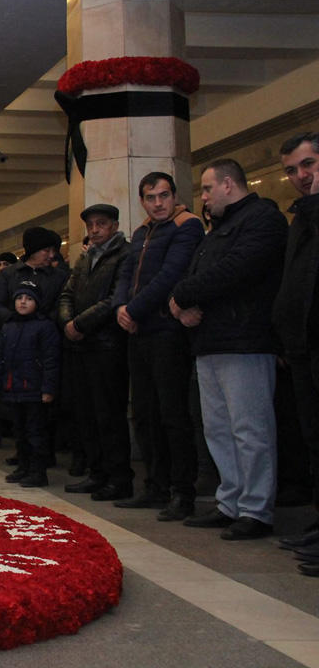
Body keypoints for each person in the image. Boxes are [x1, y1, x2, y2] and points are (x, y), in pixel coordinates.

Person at [170, 159, 288, 540]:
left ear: (227, 185)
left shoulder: (261, 219)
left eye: (206, 189)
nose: (202, 198)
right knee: (219, 429)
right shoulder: (219, 230)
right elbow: (194, 273)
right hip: (211, 342)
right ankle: (231, 501)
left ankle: (256, 509)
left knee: (249, 429)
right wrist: (182, 302)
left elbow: (236, 270)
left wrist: (182, 296)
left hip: (245, 339)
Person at [110, 171, 205, 513]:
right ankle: (155, 484)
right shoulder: (141, 232)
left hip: (166, 330)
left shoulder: (187, 225)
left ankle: (183, 491)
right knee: (145, 412)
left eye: (163, 196)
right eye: (150, 198)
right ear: (142, 201)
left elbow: (171, 274)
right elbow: (126, 273)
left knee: (172, 413)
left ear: (174, 195)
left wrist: (132, 310)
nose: (158, 203)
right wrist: (120, 306)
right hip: (139, 331)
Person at [56, 203, 131, 500]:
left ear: (113, 225)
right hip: (81, 345)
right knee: (86, 413)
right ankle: (96, 472)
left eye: (101, 224)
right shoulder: (85, 258)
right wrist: (67, 322)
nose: (95, 230)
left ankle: (119, 477)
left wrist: (81, 324)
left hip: (107, 344)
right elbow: (66, 293)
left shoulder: (124, 254)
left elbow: (115, 299)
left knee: (108, 413)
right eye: (91, 226)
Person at [273, 134, 319, 567]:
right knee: (312, 437)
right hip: (303, 345)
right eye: (292, 170)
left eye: (308, 165)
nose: (301, 177)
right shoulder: (302, 216)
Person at [0, 281, 60, 486]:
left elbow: (51, 361)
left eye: (29, 299)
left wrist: (49, 388)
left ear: (37, 302)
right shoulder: (9, 326)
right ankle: (23, 466)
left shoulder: (45, 327)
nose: (23, 302)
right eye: (20, 298)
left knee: (35, 432)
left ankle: (38, 472)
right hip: (13, 388)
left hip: (34, 388)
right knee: (19, 431)